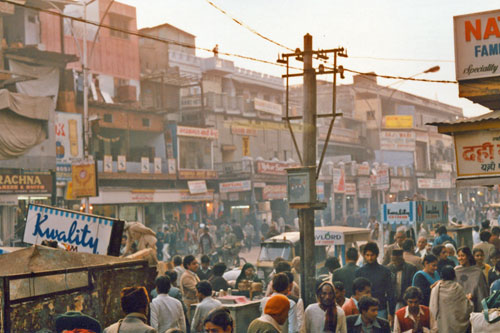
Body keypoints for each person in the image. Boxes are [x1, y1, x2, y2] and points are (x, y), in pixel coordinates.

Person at [354, 242, 395, 323]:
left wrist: (391, 312)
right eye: (367, 255)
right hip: (364, 310)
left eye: (372, 255)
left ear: (376, 255)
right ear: (364, 255)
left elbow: (390, 293)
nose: (370, 258)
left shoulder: (385, 271)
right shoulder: (359, 272)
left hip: (380, 309)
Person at [429, 265, 473, 333]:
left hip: (441, 325)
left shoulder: (435, 289)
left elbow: (432, 308)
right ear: (454, 276)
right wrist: (469, 299)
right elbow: (466, 308)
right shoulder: (457, 288)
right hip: (456, 326)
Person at [454, 246, 489, 312]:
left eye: (462, 256)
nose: (460, 258)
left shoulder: (477, 272)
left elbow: (482, 290)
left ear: (468, 256)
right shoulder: (456, 271)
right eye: (459, 256)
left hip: (476, 304)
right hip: (460, 305)